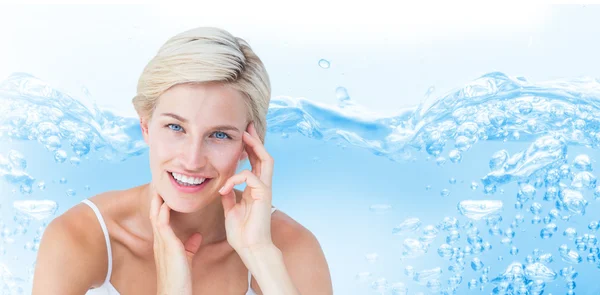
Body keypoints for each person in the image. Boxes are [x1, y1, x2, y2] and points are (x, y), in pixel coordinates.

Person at [32, 26, 333, 295]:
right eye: (176, 127)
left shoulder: (289, 245)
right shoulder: (82, 236)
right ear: (146, 126)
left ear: (248, 145)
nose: (192, 160)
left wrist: (260, 253)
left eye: (219, 135)